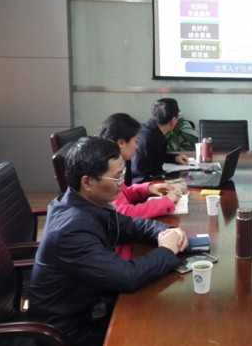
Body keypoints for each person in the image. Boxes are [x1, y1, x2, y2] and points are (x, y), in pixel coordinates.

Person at [28, 136, 188, 346]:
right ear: (87, 182)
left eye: (122, 173)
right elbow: (127, 277)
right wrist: (166, 251)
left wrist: (166, 232)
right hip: (71, 331)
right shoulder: (71, 230)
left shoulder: (84, 202)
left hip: (92, 307)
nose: (122, 183)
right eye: (116, 177)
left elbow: (130, 225)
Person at [99, 112, 186, 259]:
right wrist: (166, 201)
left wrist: (148, 188)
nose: (137, 147)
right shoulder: (106, 169)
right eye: (136, 142)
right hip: (120, 251)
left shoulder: (108, 160)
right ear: (121, 143)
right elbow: (124, 214)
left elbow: (123, 193)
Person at [131, 98, 189, 183]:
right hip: (145, 187)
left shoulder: (151, 131)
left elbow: (155, 156)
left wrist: (175, 158)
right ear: (173, 121)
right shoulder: (146, 139)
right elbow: (139, 177)